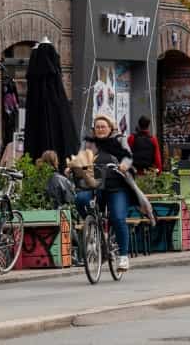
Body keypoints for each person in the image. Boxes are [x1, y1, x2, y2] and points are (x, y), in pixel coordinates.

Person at [75, 115, 135, 272]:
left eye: (103, 126)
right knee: (80, 198)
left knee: (117, 217)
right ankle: (94, 228)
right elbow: (80, 157)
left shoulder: (119, 140)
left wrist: (123, 165)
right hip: (94, 185)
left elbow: (128, 156)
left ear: (110, 128)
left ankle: (123, 257)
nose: (100, 129)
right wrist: (73, 165)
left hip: (116, 187)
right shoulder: (88, 142)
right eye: (98, 127)